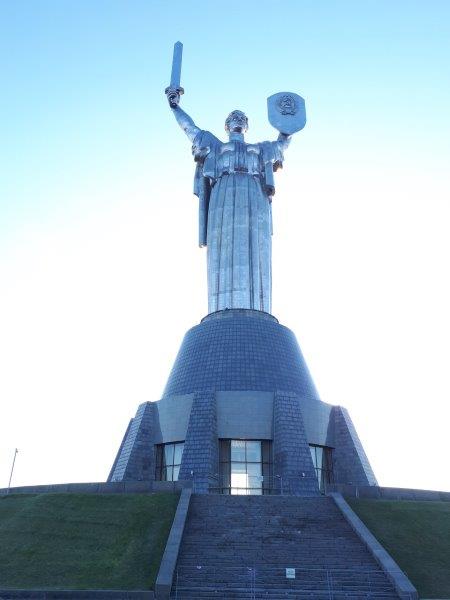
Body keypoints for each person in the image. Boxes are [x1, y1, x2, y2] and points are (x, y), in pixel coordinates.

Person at [166, 88, 291, 314]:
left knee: (256, 247)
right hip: (222, 197)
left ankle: (257, 309)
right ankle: (222, 310)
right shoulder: (214, 146)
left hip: (254, 196)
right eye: (233, 118)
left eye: (242, 118)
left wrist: (287, 128)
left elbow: (281, 145)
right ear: (226, 125)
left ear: (246, 125)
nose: (237, 120)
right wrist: (175, 107)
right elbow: (190, 129)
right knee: (223, 247)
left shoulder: (260, 149)